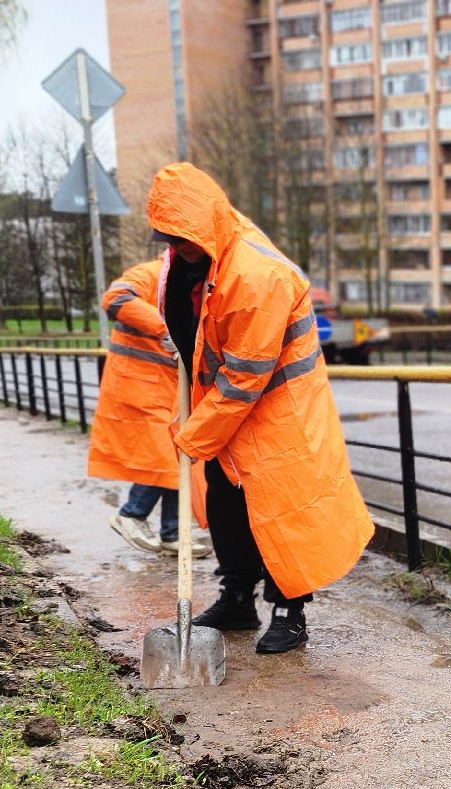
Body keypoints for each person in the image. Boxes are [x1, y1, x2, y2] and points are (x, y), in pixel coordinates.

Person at [145, 161, 374, 654]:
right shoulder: (194, 261)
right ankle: (237, 598)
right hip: (226, 413)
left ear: (207, 224)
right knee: (228, 508)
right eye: (169, 239)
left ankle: (289, 612)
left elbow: (246, 374)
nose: (176, 248)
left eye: (183, 239)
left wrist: (195, 435)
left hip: (277, 416)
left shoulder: (256, 278)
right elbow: (198, 347)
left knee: (282, 512)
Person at [87, 256, 211, 558]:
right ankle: (132, 513)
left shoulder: (194, 286)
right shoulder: (150, 273)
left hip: (165, 387)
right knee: (169, 458)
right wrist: (164, 329)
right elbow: (115, 298)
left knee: (179, 455)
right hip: (140, 385)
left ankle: (172, 532)